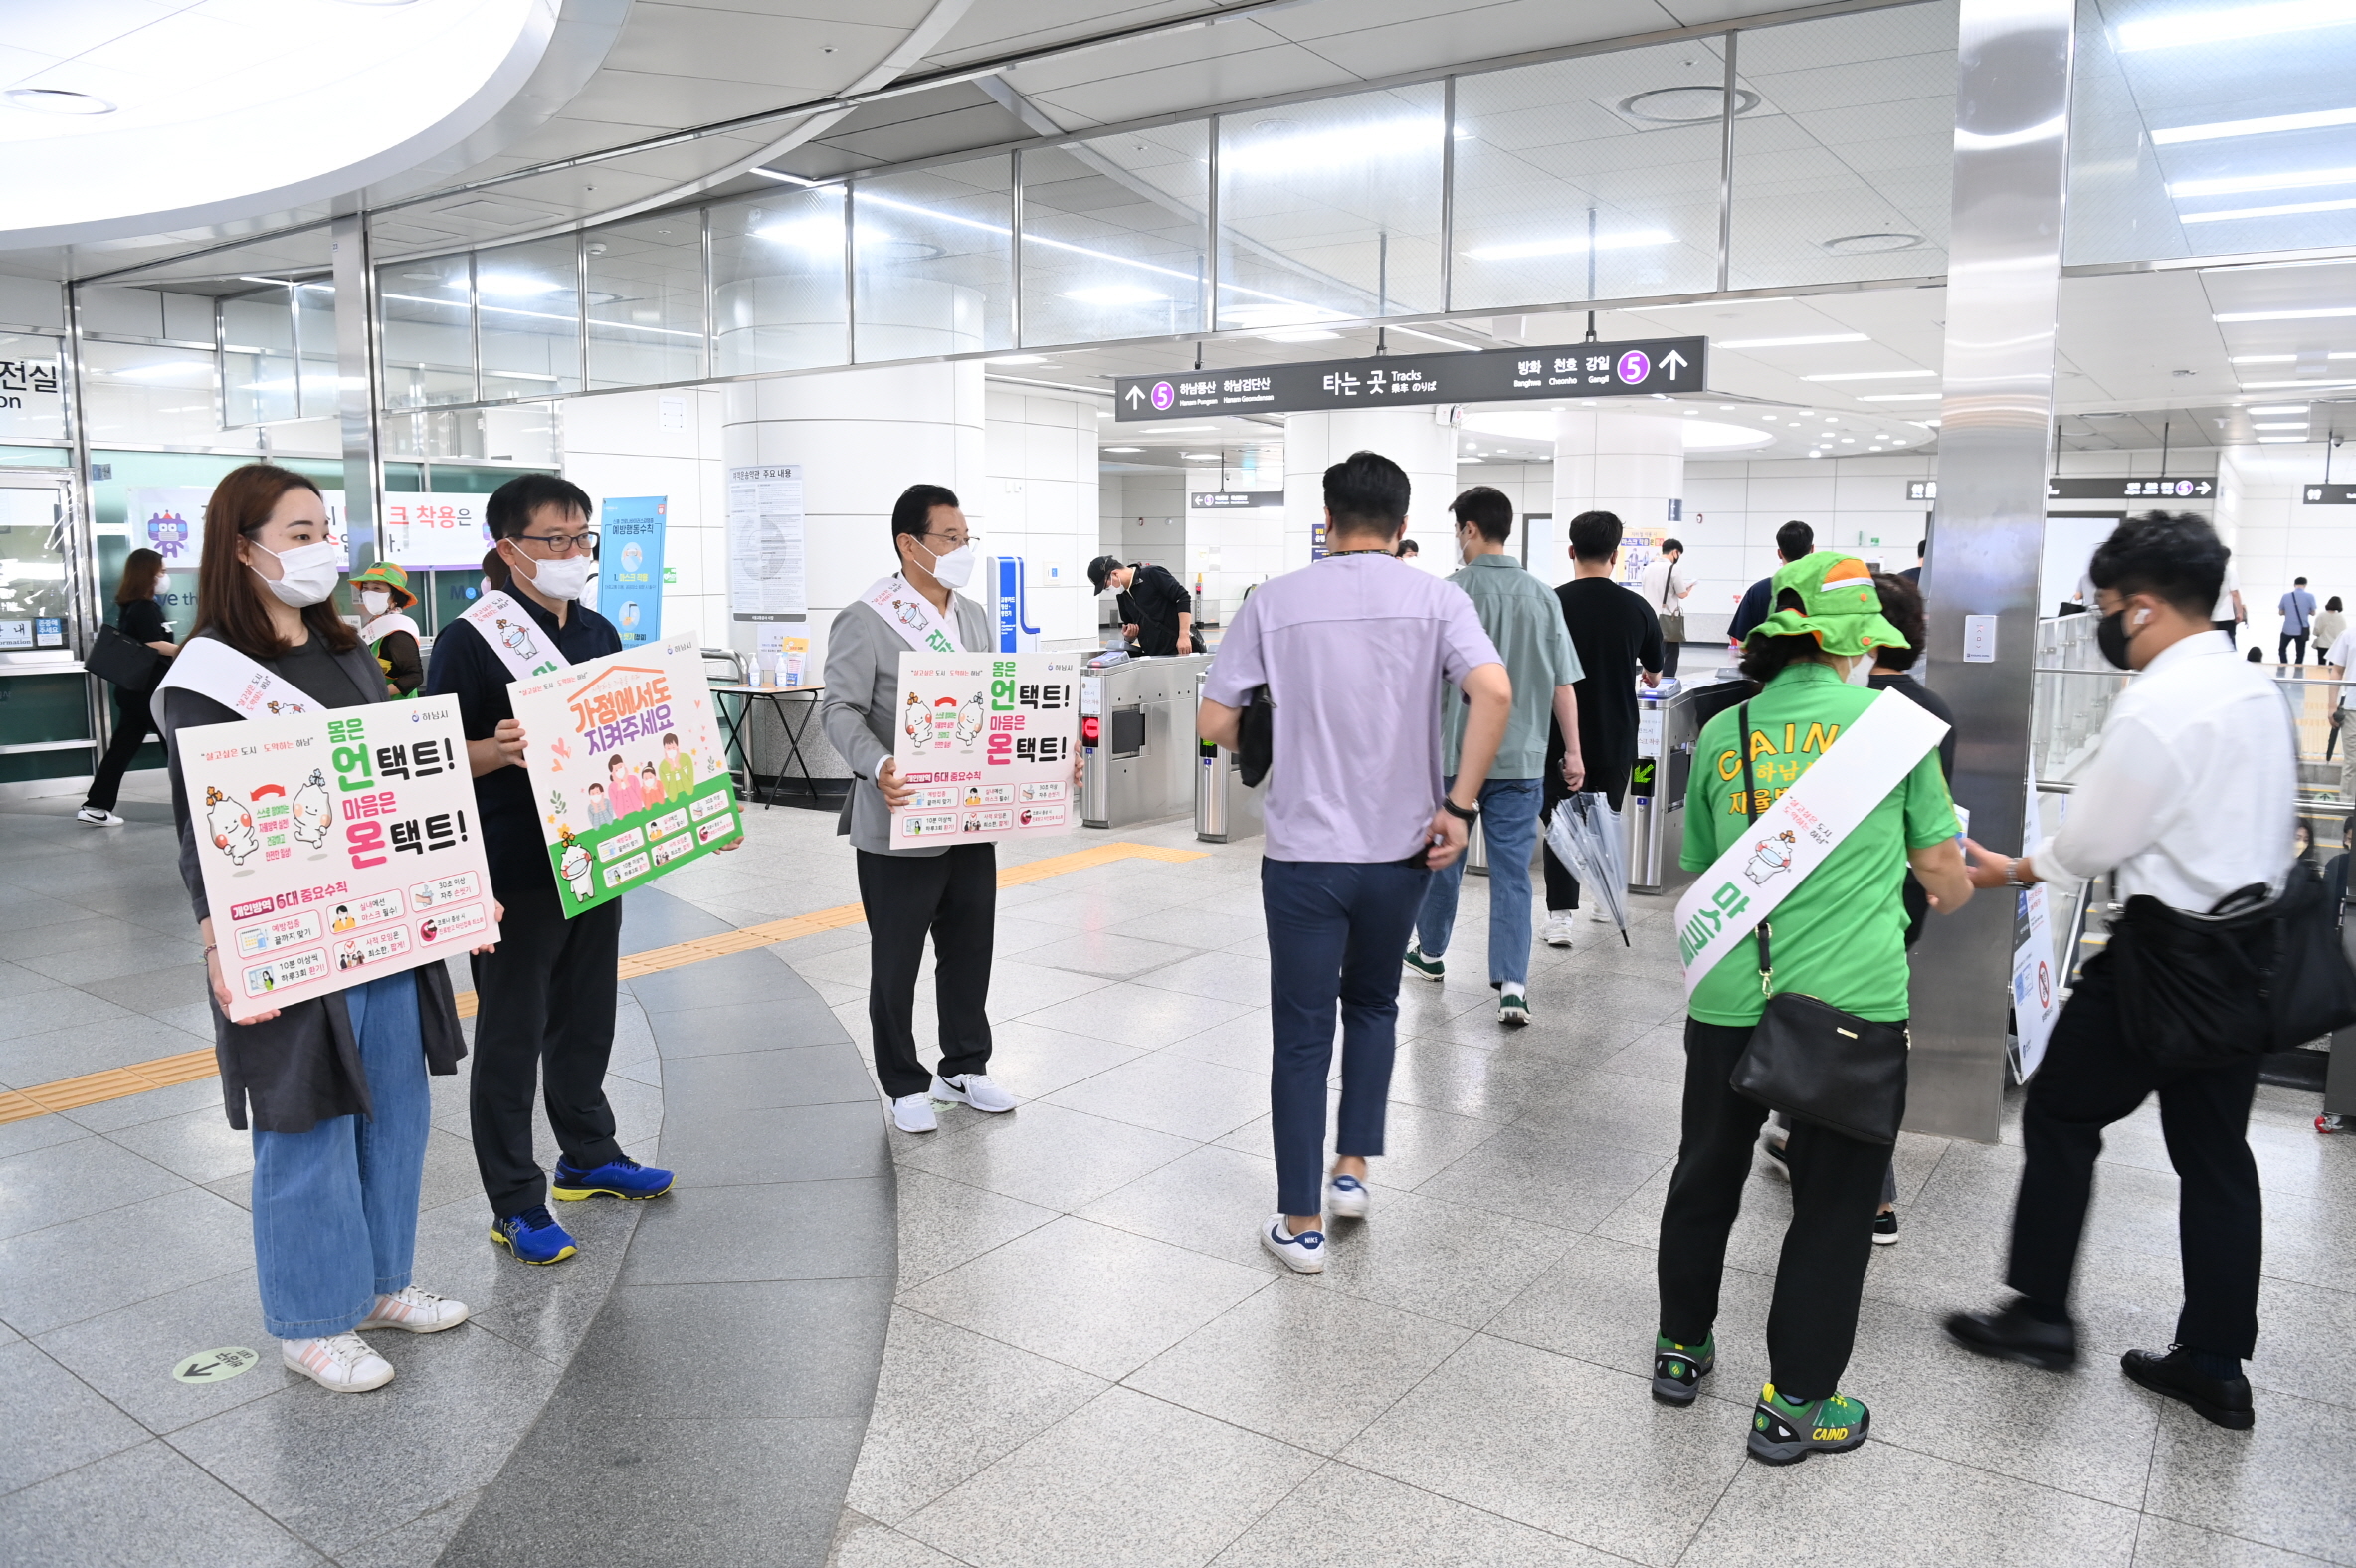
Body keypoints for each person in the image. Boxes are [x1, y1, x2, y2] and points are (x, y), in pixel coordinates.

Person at [1944, 511, 2293, 1433]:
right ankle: (2216, 1363)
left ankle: (2042, 1316)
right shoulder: (2255, 690)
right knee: (2217, 1157)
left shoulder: (2161, 702)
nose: (2102, 624)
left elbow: (2098, 838)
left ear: (2140, 609)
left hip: (2163, 955)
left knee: (2061, 1113)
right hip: (2246, 947)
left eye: (2105, 606)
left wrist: (2014, 869)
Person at [156, 464, 480, 1394]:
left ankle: (380, 1284)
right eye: (298, 533)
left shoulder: (346, 651)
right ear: (243, 546)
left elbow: (391, 783)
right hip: (286, 931)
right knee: (305, 1122)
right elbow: (199, 825)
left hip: (382, 922)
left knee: (396, 1110)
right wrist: (220, 939)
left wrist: (457, 887)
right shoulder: (210, 672)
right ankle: (307, 1322)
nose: (321, 548)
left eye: (324, 528)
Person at [1654, 549, 1970, 1464]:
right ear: (1851, 646)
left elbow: (1706, 865)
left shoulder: (1726, 728)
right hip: (1848, 1003)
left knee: (1706, 1170)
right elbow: (1943, 884)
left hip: (1729, 994)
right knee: (1833, 1207)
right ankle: (1795, 1406)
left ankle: (1682, 1351)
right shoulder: (1893, 730)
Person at [1198, 451, 1509, 1274]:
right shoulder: (1436, 597)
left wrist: (1280, 742)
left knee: (1301, 1036)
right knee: (1373, 1006)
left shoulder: (1276, 600)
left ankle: (1300, 1225)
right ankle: (1352, 1172)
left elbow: (1215, 717)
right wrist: (1460, 805)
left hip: (1304, 854)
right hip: (1401, 849)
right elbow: (1495, 692)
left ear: (1327, 521)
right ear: (1404, 527)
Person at [427, 473, 673, 1269]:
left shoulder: (598, 630)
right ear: (509, 549)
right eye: (555, 541)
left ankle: (587, 1155)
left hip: (594, 855)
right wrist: (492, 751)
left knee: (587, 1013)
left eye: (582, 539)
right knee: (510, 1032)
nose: (574, 554)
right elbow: (430, 762)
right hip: (513, 869)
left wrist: (687, 808)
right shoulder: (469, 639)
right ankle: (514, 1200)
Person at [1757, 572, 1952, 1245]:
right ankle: (1815, 1147)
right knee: (1857, 1037)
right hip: (1895, 902)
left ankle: (1872, 1193)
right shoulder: (1930, 710)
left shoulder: (1850, 710)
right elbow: (1935, 825)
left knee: (1811, 1012)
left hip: (1824, 898)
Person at [825, 485, 1022, 1134]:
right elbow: (841, 710)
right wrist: (877, 764)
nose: (962, 550)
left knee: (970, 949)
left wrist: (1036, 762)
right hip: (898, 819)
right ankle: (904, 1080)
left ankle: (965, 1065)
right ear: (910, 545)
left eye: (967, 539)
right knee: (898, 958)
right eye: (951, 539)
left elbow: (994, 703)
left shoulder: (973, 617)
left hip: (969, 814)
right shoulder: (866, 618)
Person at [1403, 486, 1584, 1025]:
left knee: (1444, 858)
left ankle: (1431, 954)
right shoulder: (1543, 596)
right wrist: (1572, 751)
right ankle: (1512, 985)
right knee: (1512, 873)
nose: (1458, 540)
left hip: (1454, 754)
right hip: (1522, 758)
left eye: (1459, 529)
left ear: (1471, 529)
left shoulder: (1445, 594)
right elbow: (1562, 685)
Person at [1543, 510, 1665, 945]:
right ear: (1615, 555)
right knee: (1606, 819)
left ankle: (1560, 917)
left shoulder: (1551, 602)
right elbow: (1654, 672)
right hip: (1616, 733)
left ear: (1572, 551)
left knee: (1562, 821)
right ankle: (1602, 900)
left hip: (1558, 735)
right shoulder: (1637, 607)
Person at [78, 546, 177, 826]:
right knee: (177, 746)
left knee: (123, 748)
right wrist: (184, 649)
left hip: (135, 692)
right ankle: (196, 801)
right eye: (162, 571)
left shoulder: (132, 605)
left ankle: (95, 806)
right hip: (148, 693)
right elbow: (153, 643)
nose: (164, 576)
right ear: (149, 573)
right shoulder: (145, 608)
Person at [1088, 555, 1195, 656]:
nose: (1108, 590)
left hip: (1179, 649)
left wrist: (1184, 635)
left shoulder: (1151, 574)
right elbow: (1130, 624)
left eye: (1106, 586)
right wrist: (1129, 637)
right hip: (1152, 654)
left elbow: (1182, 597)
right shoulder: (1122, 596)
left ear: (1115, 574)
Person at [1728, 520, 1814, 643]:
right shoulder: (1823, 590)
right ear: (1812, 550)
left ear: (1780, 553)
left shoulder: (1758, 591)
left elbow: (1742, 642)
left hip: (1766, 661)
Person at [349, 560, 424, 697]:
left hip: (398, 709)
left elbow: (414, 676)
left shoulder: (398, 631)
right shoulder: (375, 622)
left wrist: (378, 695)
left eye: (377, 588)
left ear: (395, 596)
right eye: (365, 588)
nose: (368, 593)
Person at [1639, 536, 1696, 676]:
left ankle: (1648, 679)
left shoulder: (1648, 568)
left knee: (1651, 652)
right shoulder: (1673, 569)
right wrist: (1689, 588)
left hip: (1649, 617)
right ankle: (1667, 681)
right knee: (1670, 653)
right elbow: (1682, 594)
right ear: (1675, 552)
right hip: (1667, 618)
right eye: (1679, 555)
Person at [2279, 576, 2317, 667]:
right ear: (2305, 585)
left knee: (2282, 649)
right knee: (2300, 652)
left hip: (2287, 629)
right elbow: (2313, 612)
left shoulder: (2286, 596)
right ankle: (2297, 669)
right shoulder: (2310, 596)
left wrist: (2289, 613)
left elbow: (2281, 612)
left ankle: (2284, 666)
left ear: (2294, 585)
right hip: (2302, 630)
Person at [2213, 558, 2245, 646]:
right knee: (2229, 644)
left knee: (2211, 645)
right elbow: (2235, 594)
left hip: (2210, 616)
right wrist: (2239, 612)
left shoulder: (2207, 570)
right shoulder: (2230, 572)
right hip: (2225, 616)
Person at [2312, 594, 2345, 661]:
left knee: (2321, 665)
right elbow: (2343, 633)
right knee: (2332, 667)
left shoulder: (2321, 615)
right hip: (2334, 645)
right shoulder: (2341, 617)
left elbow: (2316, 631)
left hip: (2322, 644)